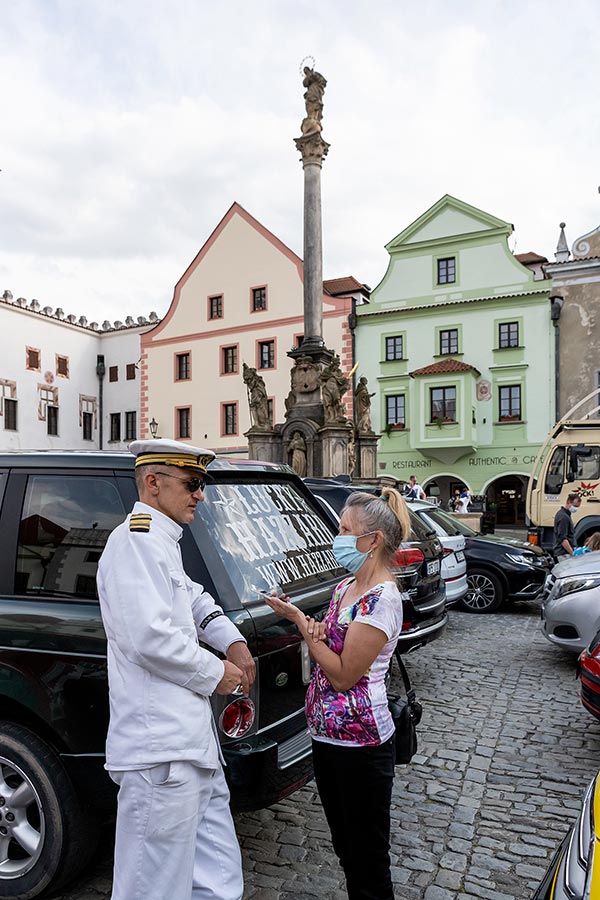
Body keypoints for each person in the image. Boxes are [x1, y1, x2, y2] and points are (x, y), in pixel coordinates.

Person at [97, 439, 256, 900]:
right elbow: (148, 637)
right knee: (152, 886)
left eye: (201, 484)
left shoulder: (161, 542)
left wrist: (234, 641)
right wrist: (217, 673)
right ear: (152, 483)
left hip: (189, 745)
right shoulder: (135, 542)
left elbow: (196, 599)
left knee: (217, 877)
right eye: (192, 483)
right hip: (160, 750)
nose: (200, 495)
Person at [264, 488, 410, 900]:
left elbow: (346, 674)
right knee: (347, 849)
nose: (339, 537)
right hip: (327, 738)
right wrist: (313, 628)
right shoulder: (347, 585)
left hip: (360, 745)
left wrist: (301, 628)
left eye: (347, 530)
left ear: (373, 540)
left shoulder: (382, 600)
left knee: (368, 859)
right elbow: (336, 638)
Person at [553, 491, 582, 559]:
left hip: (565, 552)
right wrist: (572, 553)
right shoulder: (564, 517)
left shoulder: (565, 515)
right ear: (568, 502)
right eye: (575, 506)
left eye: (577, 506)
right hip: (564, 553)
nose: (576, 509)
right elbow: (562, 538)